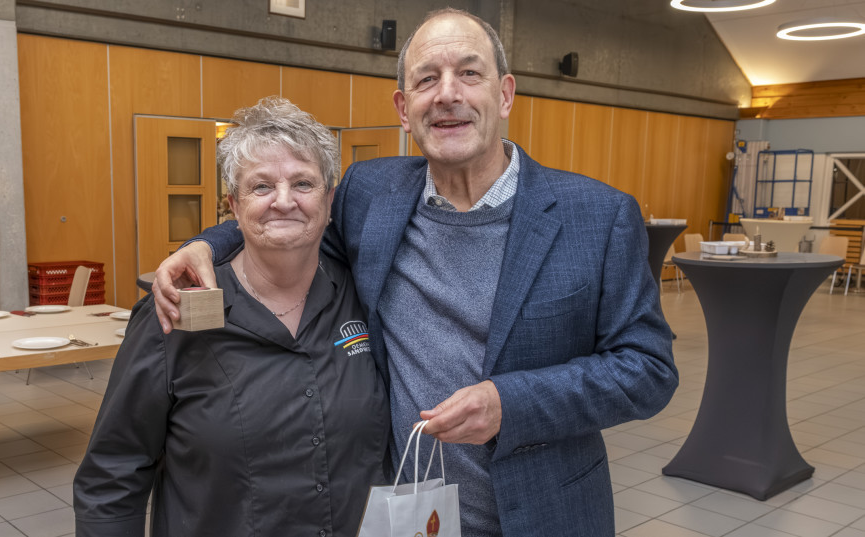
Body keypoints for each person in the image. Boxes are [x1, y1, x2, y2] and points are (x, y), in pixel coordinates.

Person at [151, 8, 678, 537]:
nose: (447, 94)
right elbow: (292, 221)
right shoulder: (369, 194)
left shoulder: (597, 216)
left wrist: (510, 404)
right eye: (427, 79)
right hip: (408, 516)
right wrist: (205, 243)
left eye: (469, 73)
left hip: (545, 517)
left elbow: (648, 369)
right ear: (404, 109)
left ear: (504, 95)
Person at [73, 97, 390, 537]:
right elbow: (112, 474)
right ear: (234, 206)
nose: (284, 201)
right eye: (261, 187)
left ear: (329, 199)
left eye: (303, 183)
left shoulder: (363, 296)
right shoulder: (174, 311)